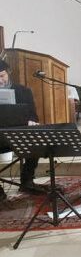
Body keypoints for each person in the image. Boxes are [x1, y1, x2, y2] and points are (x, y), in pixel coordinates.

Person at [0, 60, 44, 200]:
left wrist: (32, 121)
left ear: (8, 73)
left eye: (2, 76)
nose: (0, 80)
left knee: (38, 139)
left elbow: (33, 116)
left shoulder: (23, 91)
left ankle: (27, 180)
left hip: (19, 133)